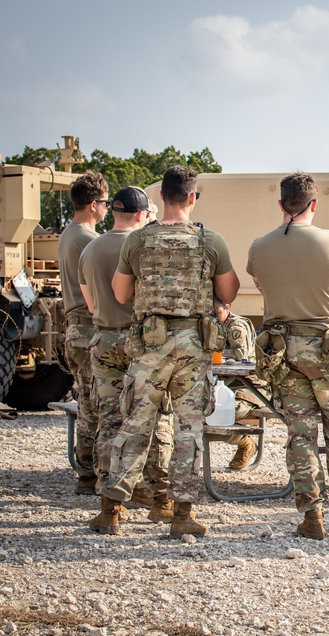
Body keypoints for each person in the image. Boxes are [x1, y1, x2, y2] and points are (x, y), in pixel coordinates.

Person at [96, 165, 240, 539]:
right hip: (194, 346)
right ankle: (182, 515)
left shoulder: (138, 241)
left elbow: (121, 294)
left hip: (150, 346)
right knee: (188, 428)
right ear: (193, 198)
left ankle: (111, 511)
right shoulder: (211, 241)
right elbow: (228, 293)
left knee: (135, 423)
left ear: (161, 197)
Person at [247, 172, 329, 540]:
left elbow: (260, 283)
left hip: (284, 353)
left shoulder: (259, 247)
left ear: (281, 204)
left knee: (300, 436)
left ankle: (312, 517)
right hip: (328, 350)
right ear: (315, 205)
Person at [78, 187, 173, 528]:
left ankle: (109, 501)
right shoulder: (145, 248)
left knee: (110, 419)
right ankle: (158, 498)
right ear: (141, 214)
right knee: (157, 417)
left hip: (104, 340)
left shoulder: (90, 249)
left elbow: (91, 306)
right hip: (143, 342)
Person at [58, 170, 108, 495]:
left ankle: (87, 473)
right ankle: (89, 476)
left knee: (86, 400)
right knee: (94, 405)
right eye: (104, 202)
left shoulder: (67, 234)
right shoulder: (89, 239)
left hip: (73, 328)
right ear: (93, 204)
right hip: (88, 327)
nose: (107, 209)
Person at [214, 298, 260, 470]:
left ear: (227, 308)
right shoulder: (218, 324)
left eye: (218, 313)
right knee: (202, 409)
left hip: (249, 386)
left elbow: (241, 355)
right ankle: (244, 442)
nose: (216, 317)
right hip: (227, 384)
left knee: (221, 413)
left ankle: (245, 442)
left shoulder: (235, 326)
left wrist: (215, 353)